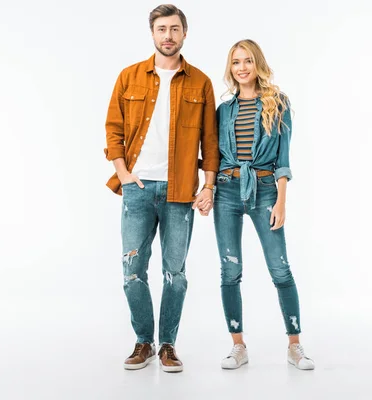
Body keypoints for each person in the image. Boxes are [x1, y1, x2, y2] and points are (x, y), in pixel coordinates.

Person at [104, 4, 218, 373]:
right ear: (152, 34)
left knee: (175, 272)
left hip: (180, 190)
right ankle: (143, 341)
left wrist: (208, 186)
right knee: (133, 269)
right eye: (161, 29)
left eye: (174, 29)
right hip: (137, 187)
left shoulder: (200, 82)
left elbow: (210, 141)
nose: (167, 36)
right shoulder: (129, 76)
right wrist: (123, 173)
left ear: (185, 33)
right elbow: (113, 129)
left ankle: (167, 344)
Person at [212, 39, 314, 370]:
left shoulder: (277, 103)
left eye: (248, 61)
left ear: (258, 65)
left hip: (266, 189)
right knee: (230, 270)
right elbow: (214, 156)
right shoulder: (223, 110)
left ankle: (294, 345)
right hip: (226, 190)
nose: (242, 67)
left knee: (279, 268)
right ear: (231, 68)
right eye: (236, 62)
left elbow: (283, 159)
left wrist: (281, 201)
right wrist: (206, 187)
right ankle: (238, 345)